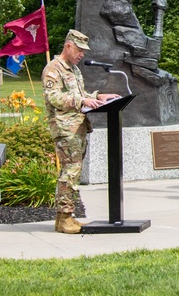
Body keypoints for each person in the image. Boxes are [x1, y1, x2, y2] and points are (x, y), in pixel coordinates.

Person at [42, 30, 120, 233]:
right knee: (70, 172)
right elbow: (54, 97)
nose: (82, 55)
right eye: (79, 50)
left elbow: (80, 94)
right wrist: (82, 101)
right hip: (65, 128)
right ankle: (65, 216)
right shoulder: (53, 69)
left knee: (72, 171)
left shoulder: (74, 70)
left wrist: (98, 96)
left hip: (77, 127)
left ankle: (64, 218)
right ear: (68, 46)